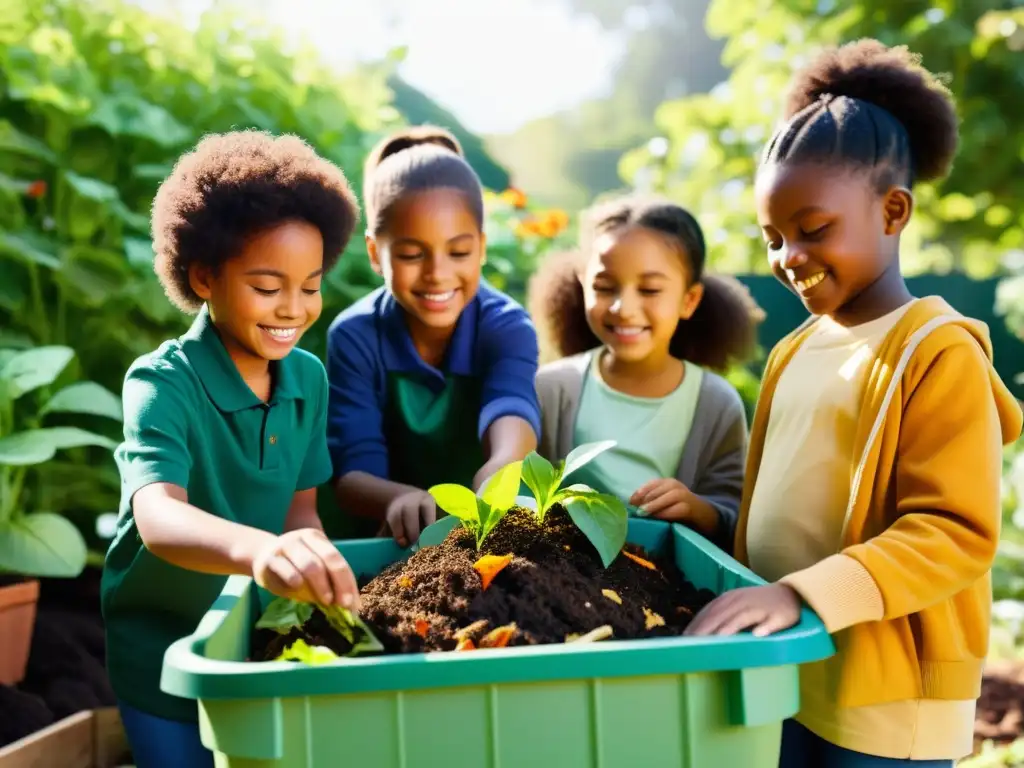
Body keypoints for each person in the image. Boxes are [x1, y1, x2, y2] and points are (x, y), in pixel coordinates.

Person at [683, 40, 1024, 767]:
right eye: (773, 238)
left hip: (888, 699)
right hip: (794, 669)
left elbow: (953, 531)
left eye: (812, 231)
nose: (788, 258)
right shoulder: (792, 352)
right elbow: (789, 504)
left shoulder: (936, 352)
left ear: (893, 210)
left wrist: (799, 595)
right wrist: (712, 519)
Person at [100, 130, 363, 768]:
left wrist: (312, 563)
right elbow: (158, 517)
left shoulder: (307, 379)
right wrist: (263, 551)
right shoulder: (162, 382)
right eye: (267, 286)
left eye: (310, 285)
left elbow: (301, 510)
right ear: (204, 276)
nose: (294, 309)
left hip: (251, 635)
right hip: (160, 649)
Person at [327, 126, 541, 548]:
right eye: (410, 255)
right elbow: (352, 469)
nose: (437, 273)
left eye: (458, 252)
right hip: (386, 539)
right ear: (375, 253)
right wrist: (398, 499)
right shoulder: (355, 336)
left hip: (483, 535)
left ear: (481, 247)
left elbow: (512, 404)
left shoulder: (506, 325)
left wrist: (501, 466)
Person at [528, 195, 762, 552]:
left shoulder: (715, 403)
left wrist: (697, 509)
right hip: (562, 570)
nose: (624, 308)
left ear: (689, 300)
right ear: (582, 284)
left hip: (661, 585)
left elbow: (734, 517)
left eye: (650, 290)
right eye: (605, 287)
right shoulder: (552, 388)